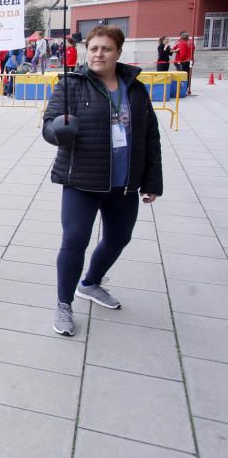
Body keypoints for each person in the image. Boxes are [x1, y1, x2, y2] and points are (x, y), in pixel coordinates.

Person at [43, 25, 162, 337]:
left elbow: (151, 136)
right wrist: (59, 131)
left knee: (119, 238)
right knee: (75, 241)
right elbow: (47, 127)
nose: (98, 54)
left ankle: (91, 282)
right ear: (87, 51)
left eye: (105, 49)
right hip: (81, 180)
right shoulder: (71, 84)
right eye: (93, 48)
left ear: (118, 53)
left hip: (124, 183)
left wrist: (152, 181)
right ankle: (64, 303)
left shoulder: (135, 88)